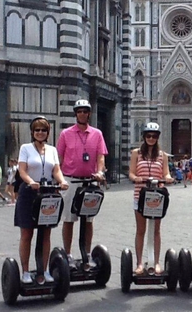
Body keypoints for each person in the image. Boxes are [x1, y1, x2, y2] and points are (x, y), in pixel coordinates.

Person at [14, 116, 69, 283]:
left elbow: (56, 170)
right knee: (27, 233)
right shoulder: (25, 148)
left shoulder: (52, 150)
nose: (40, 133)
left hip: (47, 193)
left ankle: (44, 270)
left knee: (46, 233)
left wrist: (62, 181)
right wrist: (31, 182)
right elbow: (22, 170)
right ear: (32, 132)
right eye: (37, 130)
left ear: (48, 133)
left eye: (43, 130)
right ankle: (25, 271)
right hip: (29, 193)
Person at [57, 99, 108, 268]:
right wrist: (60, 179)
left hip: (90, 181)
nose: (82, 114)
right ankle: (68, 254)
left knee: (88, 219)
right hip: (71, 180)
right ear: (75, 114)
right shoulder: (65, 134)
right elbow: (60, 158)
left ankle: (86, 253)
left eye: (85, 111)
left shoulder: (97, 134)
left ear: (89, 114)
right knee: (69, 218)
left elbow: (101, 156)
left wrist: (100, 171)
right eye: (79, 111)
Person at [128, 122, 174, 275]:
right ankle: (140, 263)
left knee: (156, 230)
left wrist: (168, 178)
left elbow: (165, 172)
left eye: (154, 136)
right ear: (144, 137)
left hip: (156, 195)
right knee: (141, 230)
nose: (151, 138)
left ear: (158, 137)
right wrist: (137, 178)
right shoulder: (136, 153)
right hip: (140, 195)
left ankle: (156, 262)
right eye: (148, 135)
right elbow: (131, 173)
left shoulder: (163, 155)